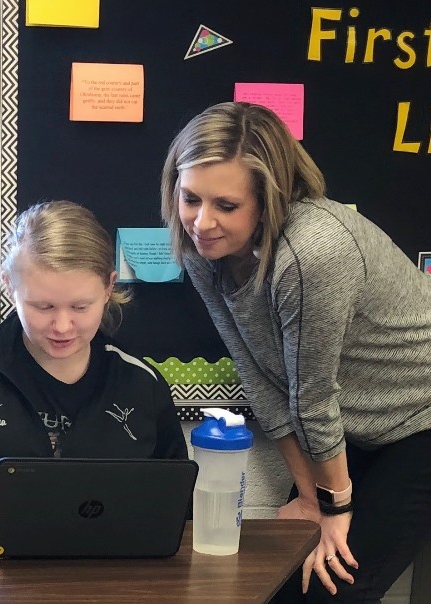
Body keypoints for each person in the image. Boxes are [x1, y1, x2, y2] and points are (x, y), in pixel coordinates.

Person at [161, 101, 431, 603]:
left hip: (421, 416)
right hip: (350, 426)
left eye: (226, 205)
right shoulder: (205, 250)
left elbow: (311, 394)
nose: (202, 221)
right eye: (190, 198)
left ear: (271, 199)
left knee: (331, 590)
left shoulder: (313, 252)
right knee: (283, 584)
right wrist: (311, 499)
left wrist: (334, 510)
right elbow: (260, 375)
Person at [0, 200, 188, 520]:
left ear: (109, 288)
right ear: (9, 285)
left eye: (80, 307)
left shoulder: (142, 384)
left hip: (113, 566)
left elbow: (175, 505)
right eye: (43, 307)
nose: (62, 327)